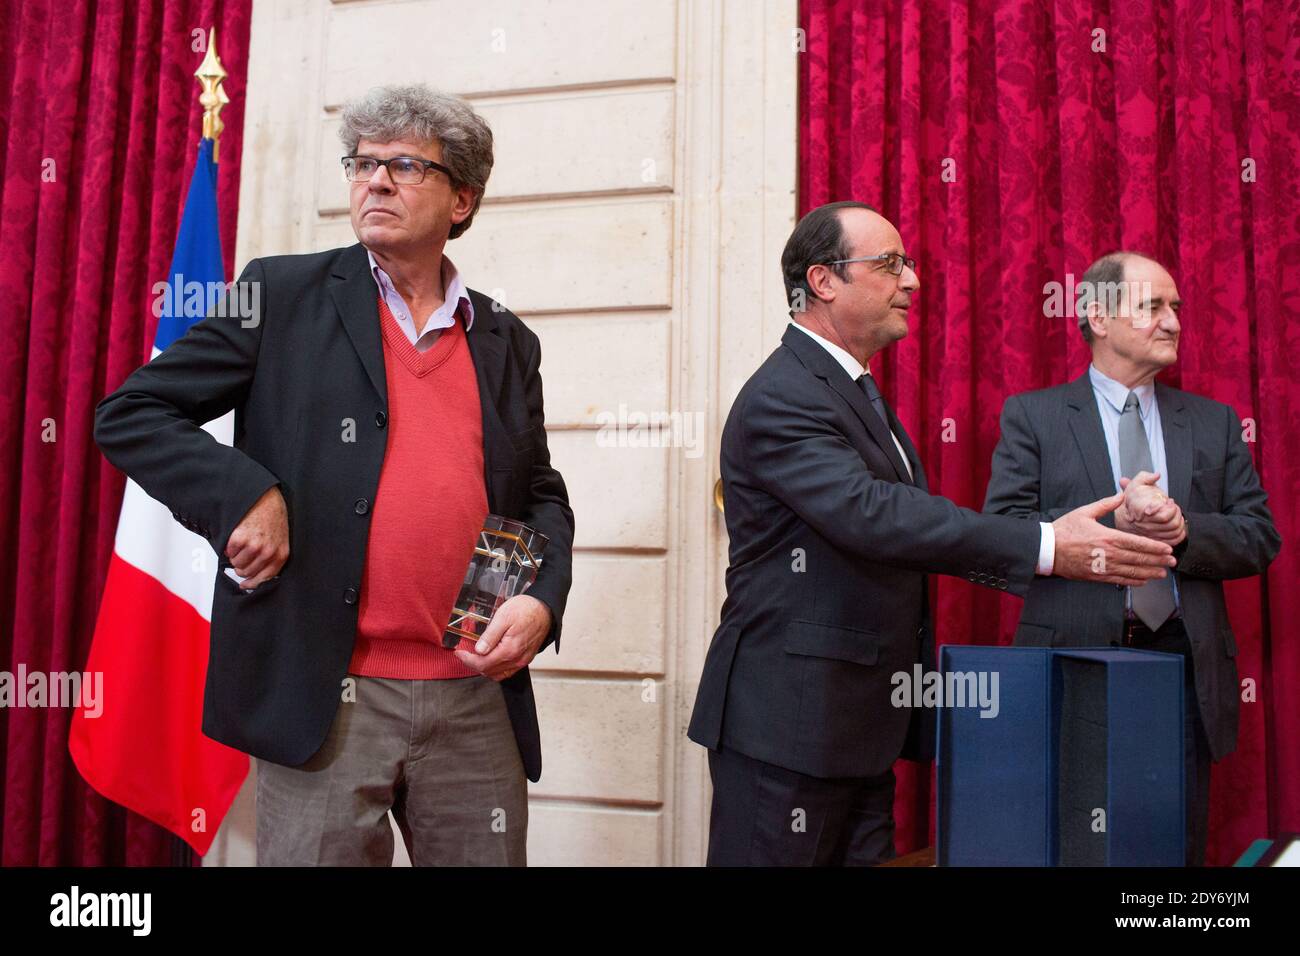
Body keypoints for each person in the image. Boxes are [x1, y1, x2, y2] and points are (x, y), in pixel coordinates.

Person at [94, 84, 574, 866]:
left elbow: (537, 494)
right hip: (328, 692)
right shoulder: (280, 296)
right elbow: (133, 411)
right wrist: (243, 492)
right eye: (362, 162)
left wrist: (542, 601)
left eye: (405, 166)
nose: (374, 181)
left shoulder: (505, 338)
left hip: (474, 696)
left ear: (462, 199)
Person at [686, 202, 1176, 866]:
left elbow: (900, 526)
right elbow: (875, 515)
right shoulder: (785, 394)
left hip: (856, 729)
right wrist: (1045, 545)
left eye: (909, 263)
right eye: (890, 264)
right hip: (789, 728)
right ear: (823, 281)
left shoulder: (850, 389)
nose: (912, 281)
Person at [984, 250, 1280, 865]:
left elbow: (1259, 536)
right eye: (1153, 306)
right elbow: (1002, 533)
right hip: (1074, 659)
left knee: (1171, 844)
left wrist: (1181, 529)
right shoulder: (1033, 416)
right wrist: (1105, 528)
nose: (1173, 321)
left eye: (1177, 307)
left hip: (1183, 664)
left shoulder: (1214, 422)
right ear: (1097, 315)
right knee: (1077, 844)